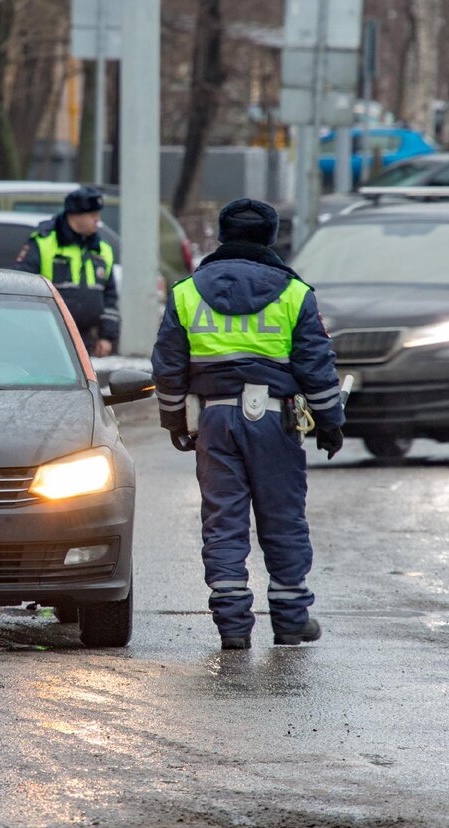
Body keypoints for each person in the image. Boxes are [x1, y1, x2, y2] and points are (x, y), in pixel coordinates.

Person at [150, 198, 344, 651]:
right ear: (271, 237)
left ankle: (233, 625)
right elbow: (316, 365)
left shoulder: (187, 292)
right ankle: (291, 619)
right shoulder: (296, 293)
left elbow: (168, 367)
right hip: (275, 420)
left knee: (224, 520)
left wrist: (175, 420)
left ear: (221, 234)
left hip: (215, 419)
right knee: (282, 517)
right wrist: (331, 422)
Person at [12, 185, 119, 357]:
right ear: (75, 215)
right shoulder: (43, 243)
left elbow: (110, 297)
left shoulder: (102, 249)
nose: (97, 220)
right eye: (93, 215)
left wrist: (106, 336)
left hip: (86, 339)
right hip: (46, 337)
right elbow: (21, 287)